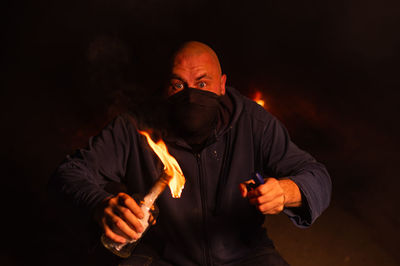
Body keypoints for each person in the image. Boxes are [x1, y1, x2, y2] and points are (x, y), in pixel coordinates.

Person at [49, 41, 331, 265]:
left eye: (202, 83)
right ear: (165, 88)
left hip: (246, 255)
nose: (191, 95)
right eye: (178, 84)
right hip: (160, 257)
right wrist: (101, 205)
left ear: (222, 85)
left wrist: (286, 191)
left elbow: (317, 176)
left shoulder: (252, 122)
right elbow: (68, 174)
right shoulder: (136, 126)